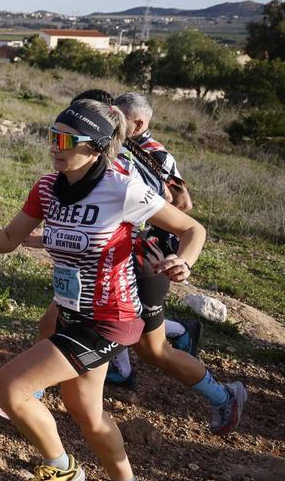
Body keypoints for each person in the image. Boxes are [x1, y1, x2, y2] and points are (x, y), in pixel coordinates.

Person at [0, 99, 205, 481]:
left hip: (110, 318)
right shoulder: (47, 188)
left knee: (10, 387)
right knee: (86, 411)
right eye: (52, 137)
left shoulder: (122, 189)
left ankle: (60, 469)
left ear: (95, 147)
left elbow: (191, 228)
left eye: (65, 140)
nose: (54, 147)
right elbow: (6, 242)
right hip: (72, 312)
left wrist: (183, 262)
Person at [106, 92, 247, 433]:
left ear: (137, 123)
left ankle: (222, 394)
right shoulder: (118, 146)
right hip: (125, 250)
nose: (111, 122)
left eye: (118, 117)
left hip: (149, 253)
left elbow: (183, 204)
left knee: (151, 348)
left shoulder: (154, 154)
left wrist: (151, 217)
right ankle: (120, 370)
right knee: (107, 318)